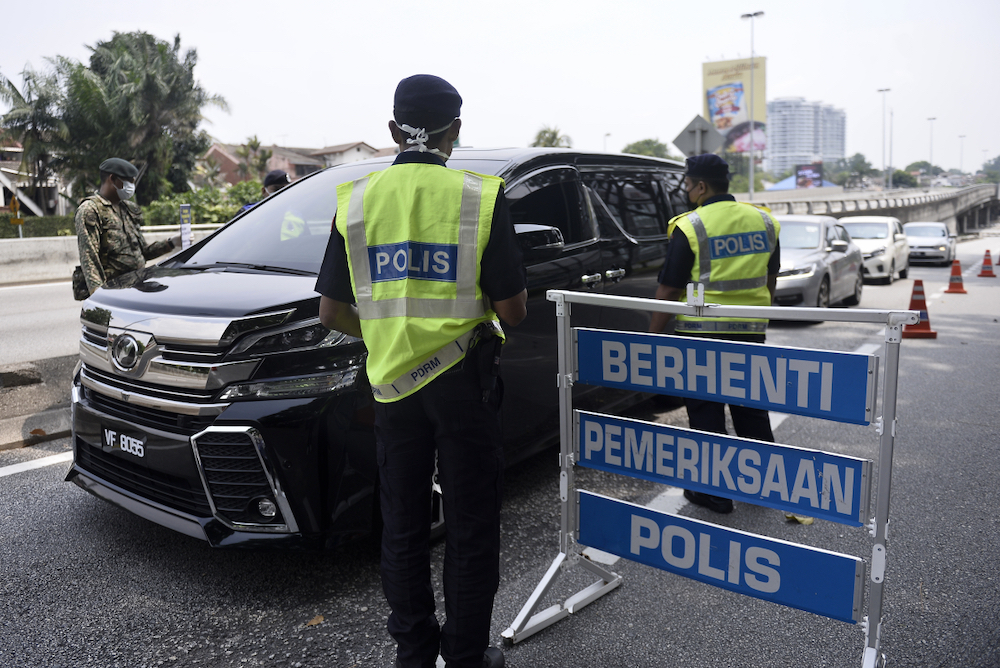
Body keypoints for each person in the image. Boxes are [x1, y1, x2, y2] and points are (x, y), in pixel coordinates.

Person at [315, 74, 527, 668]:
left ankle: (413, 653)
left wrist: (383, 330)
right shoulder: (480, 196)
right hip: (464, 384)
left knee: (403, 525)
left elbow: (331, 311)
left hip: (391, 390)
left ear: (392, 131)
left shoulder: (356, 200)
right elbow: (513, 308)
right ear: (454, 130)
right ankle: (463, 656)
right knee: (469, 524)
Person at [649, 153, 780, 514]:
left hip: (702, 337)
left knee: (706, 413)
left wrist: (652, 339)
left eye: (688, 185)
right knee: (751, 408)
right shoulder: (765, 221)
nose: (687, 191)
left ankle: (714, 493)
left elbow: (669, 291)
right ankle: (765, 487)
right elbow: (770, 282)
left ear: (701, 186)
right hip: (751, 333)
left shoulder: (690, 226)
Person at [73, 157, 180, 299]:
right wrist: (99, 297)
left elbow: (143, 253)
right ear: (113, 179)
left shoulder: (129, 209)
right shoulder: (91, 210)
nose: (132, 186)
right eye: (129, 181)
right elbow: (89, 259)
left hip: (138, 287)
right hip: (114, 291)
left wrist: (171, 242)